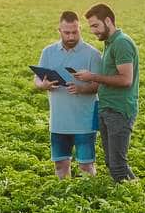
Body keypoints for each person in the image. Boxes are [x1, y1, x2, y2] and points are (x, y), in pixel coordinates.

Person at [72, 3, 139, 182]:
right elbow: (108, 78)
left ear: (108, 21)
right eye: (90, 27)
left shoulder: (122, 43)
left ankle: (135, 201)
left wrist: (92, 76)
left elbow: (126, 80)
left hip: (119, 110)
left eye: (95, 25)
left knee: (118, 165)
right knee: (112, 163)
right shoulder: (110, 43)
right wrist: (82, 87)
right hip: (106, 108)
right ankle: (131, 195)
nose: (93, 31)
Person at [33, 11, 102, 178]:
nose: (71, 36)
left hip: (85, 121)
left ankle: (89, 199)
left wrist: (81, 89)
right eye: (67, 32)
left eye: (75, 32)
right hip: (58, 120)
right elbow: (37, 78)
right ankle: (64, 197)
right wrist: (43, 85)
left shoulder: (92, 54)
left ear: (80, 29)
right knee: (60, 164)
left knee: (86, 165)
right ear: (59, 30)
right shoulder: (48, 52)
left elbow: (101, 84)